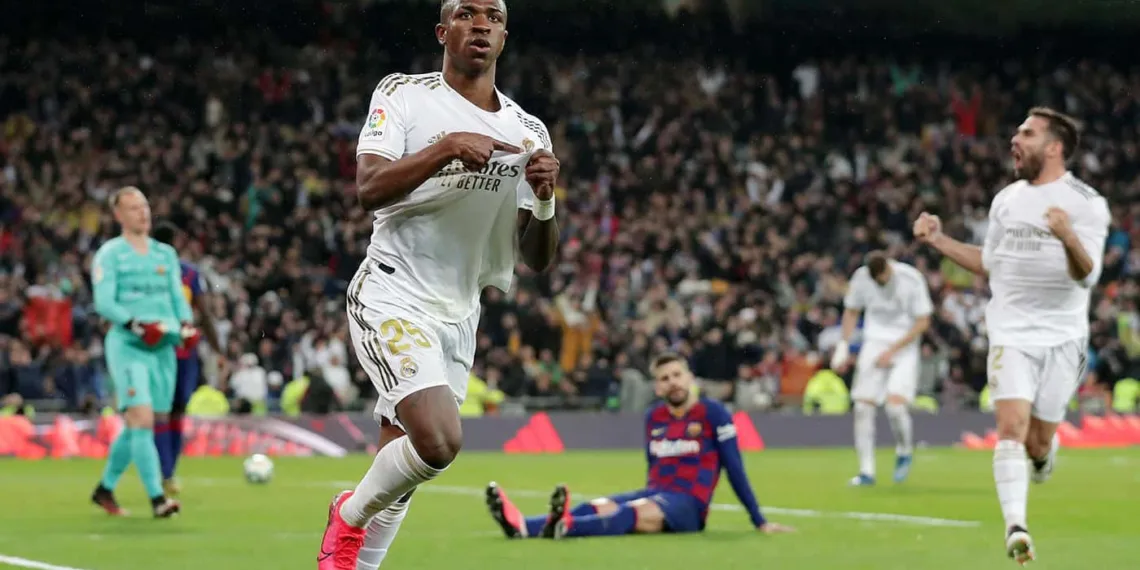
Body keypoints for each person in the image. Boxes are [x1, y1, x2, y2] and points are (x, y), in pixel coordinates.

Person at [317, 0, 561, 568]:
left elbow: (537, 258)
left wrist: (546, 200)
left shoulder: (527, 130)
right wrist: (447, 147)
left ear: (504, 37)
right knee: (438, 442)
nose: (481, 24)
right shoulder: (404, 94)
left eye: (493, 16)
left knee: (402, 466)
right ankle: (347, 514)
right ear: (442, 31)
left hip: (459, 311)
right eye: (467, 13)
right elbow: (369, 188)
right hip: (393, 291)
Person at [913, 107, 1109, 564]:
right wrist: (938, 240)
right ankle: (1016, 527)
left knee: (1037, 443)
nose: (1014, 140)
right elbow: (989, 263)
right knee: (1010, 429)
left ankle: (1043, 458)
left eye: (1027, 133)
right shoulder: (1006, 200)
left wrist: (1067, 236)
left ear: (1054, 148)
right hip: (1011, 333)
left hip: (1063, 339)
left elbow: (1088, 276)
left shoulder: (1086, 203)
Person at [484, 353, 794, 540]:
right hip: (656, 492)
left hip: (689, 505)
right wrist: (651, 496)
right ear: (657, 386)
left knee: (630, 513)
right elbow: (653, 466)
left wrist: (759, 520)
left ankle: (563, 526)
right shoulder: (653, 417)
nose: (673, 382)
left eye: (677, 375)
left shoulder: (714, 413)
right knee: (595, 506)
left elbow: (734, 468)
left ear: (689, 378)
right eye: (665, 378)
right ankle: (522, 526)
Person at [89, 187, 198, 518]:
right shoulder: (110, 254)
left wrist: (187, 325)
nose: (143, 212)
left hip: (163, 346)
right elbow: (104, 302)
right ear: (118, 215)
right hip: (129, 345)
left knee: (142, 423)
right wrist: (136, 325)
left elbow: (177, 296)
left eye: (145, 206)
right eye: (134, 208)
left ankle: (105, 489)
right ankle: (157, 498)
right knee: (142, 419)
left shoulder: (165, 254)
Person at [831, 251, 933, 486]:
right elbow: (852, 310)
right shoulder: (861, 278)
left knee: (895, 407)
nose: (880, 282)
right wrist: (843, 345)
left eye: (883, 278)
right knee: (862, 407)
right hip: (874, 342)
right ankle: (866, 471)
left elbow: (923, 322)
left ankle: (904, 450)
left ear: (889, 268)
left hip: (905, 345)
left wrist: (892, 351)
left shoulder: (911, 278)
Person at [152, 222, 223, 496]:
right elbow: (204, 315)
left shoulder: (186, 273)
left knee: (170, 411)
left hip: (175, 351)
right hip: (168, 351)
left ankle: (167, 470)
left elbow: (203, 314)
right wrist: (218, 350)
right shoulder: (175, 273)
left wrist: (217, 349)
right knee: (168, 410)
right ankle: (166, 471)